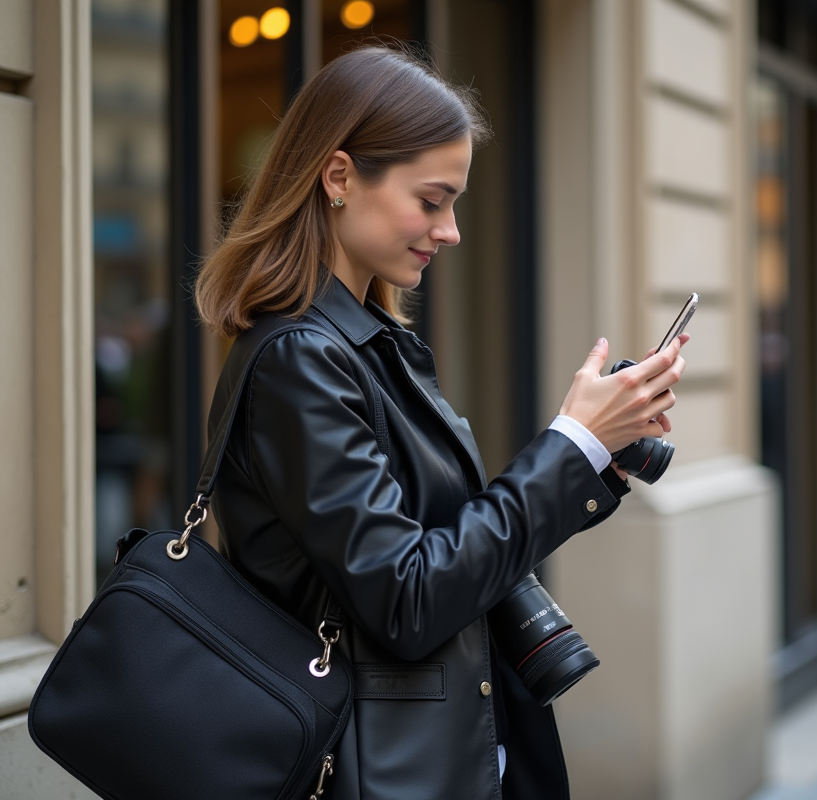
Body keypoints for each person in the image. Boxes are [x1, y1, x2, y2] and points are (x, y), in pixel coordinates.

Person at [193, 46, 687, 799]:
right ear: (338, 177)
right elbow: (410, 597)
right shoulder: (301, 360)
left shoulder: (367, 345)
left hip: (431, 757)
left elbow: (445, 543)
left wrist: (599, 453)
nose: (450, 230)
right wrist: (569, 445)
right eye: (431, 200)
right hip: (377, 770)